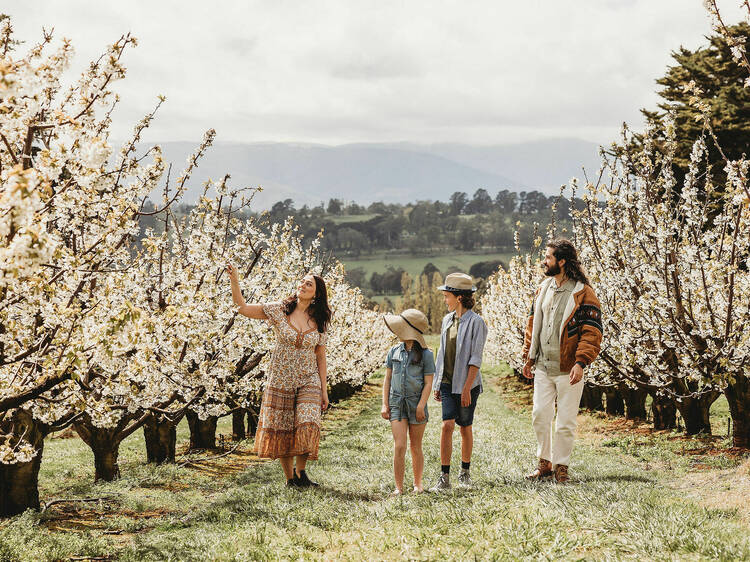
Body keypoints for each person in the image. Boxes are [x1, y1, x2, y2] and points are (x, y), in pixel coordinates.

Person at [226, 264, 331, 488]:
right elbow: (242, 307)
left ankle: (302, 472)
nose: (303, 285)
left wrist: (324, 388)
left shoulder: (320, 320)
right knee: (283, 426)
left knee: (307, 421)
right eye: (302, 281)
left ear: (317, 293)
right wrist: (235, 280)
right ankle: (290, 479)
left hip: (309, 378)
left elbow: (320, 355)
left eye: (308, 284)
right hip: (281, 378)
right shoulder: (279, 310)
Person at [521, 238, 602, 483]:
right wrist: (528, 356)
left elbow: (592, 330)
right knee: (539, 415)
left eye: (548, 257)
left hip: (569, 369)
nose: (544, 261)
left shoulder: (583, 293)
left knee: (565, 421)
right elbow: (532, 324)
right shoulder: (543, 289)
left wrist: (581, 362)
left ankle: (561, 466)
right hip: (544, 367)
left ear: (562, 261)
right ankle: (544, 462)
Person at [429, 272, 488, 492]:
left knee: (464, 427)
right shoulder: (447, 321)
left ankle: (465, 473)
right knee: (447, 425)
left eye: (447, 296)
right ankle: (444, 476)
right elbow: (442, 353)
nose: (445, 300)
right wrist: (437, 383)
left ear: (459, 297)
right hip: (446, 382)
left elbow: (475, 359)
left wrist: (466, 388)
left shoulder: (477, 323)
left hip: (467, 384)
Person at [382, 309, 435, 495]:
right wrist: (384, 403)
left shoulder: (426, 355)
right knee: (400, 446)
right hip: (396, 403)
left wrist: (421, 405)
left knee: (415, 446)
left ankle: (417, 484)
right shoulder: (394, 352)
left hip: (416, 404)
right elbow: (387, 379)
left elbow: (429, 383)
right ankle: (398, 487)